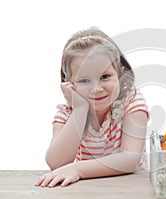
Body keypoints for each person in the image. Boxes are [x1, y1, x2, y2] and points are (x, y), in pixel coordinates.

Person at [36, 27, 149, 188]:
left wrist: (78, 170)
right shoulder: (67, 113)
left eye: (105, 77)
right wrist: (80, 110)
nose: (96, 88)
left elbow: (129, 158)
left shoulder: (131, 102)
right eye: (84, 81)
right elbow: (56, 162)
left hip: (132, 188)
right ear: (69, 84)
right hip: (89, 190)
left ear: (120, 74)